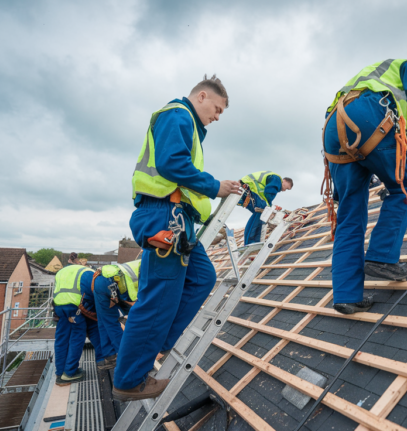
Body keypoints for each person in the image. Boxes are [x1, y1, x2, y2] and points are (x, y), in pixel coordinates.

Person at [113, 75, 241, 401]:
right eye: (217, 108)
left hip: (179, 220)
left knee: (202, 278)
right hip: (165, 216)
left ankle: (158, 344)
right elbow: (172, 165)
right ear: (201, 96)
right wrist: (215, 186)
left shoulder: (190, 127)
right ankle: (129, 380)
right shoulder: (177, 115)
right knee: (157, 300)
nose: (217, 116)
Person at [322, 59, 407, 315]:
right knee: (402, 187)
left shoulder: (367, 79)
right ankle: (382, 257)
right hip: (369, 115)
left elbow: (392, 141)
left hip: (334, 128)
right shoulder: (405, 67)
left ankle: (346, 296)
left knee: (349, 214)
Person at [52, 264, 113, 385]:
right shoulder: (92, 276)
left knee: (61, 339)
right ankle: (69, 373)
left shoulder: (68, 271)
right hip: (75, 306)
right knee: (77, 337)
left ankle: (60, 372)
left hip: (59, 305)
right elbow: (97, 298)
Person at [92, 260, 140, 362]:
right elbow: (133, 303)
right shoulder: (154, 270)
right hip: (115, 283)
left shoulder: (144, 263)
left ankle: (109, 355)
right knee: (112, 323)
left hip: (101, 281)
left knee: (105, 320)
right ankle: (126, 357)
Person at [239, 172, 293, 244]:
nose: (284, 190)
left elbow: (266, 197)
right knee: (261, 213)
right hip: (249, 186)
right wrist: (270, 208)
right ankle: (250, 242)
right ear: (284, 181)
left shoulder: (270, 180)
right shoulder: (277, 179)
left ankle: (254, 241)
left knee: (260, 215)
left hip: (246, 189)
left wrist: (271, 207)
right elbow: (269, 194)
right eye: (286, 187)